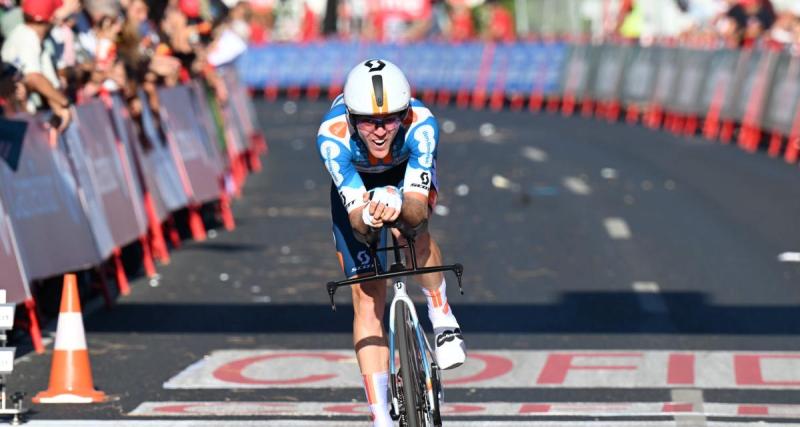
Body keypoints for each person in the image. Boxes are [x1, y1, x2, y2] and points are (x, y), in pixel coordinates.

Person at [316, 59, 466, 427]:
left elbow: (416, 211)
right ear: (351, 118)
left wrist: (398, 206)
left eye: (390, 120)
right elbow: (358, 226)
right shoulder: (332, 139)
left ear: (404, 114)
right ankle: (380, 416)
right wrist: (367, 216)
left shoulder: (421, 125)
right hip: (357, 189)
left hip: (405, 179)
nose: (380, 131)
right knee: (368, 298)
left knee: (411, 233)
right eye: (368, 121)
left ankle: (442, 317)